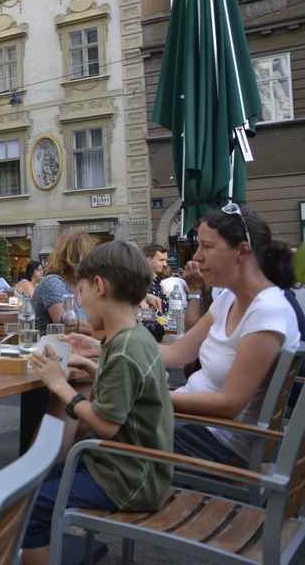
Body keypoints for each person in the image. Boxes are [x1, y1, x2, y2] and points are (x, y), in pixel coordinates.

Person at [21, 241, 173, 565]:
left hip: (127, 478)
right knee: (39, 479)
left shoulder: (123, 350)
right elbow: (129, 388)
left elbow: (104, 424)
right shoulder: (135, 338)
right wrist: (92, 364)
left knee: (32, 505)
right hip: (140, 468)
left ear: (99, 286)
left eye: (81, 290)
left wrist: (59, 385)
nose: (79, 300)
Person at [158, 207, 301, 466]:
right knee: (95, 419)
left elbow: (229, 404)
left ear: (242, 251)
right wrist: (111, 348)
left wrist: (151, 396)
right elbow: (177, 353)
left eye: (206, 246)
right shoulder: (229, 298)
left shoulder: (268, 312)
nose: (197, 257)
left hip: (215, 445)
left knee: (95, 433)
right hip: (192, 426)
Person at [31, 232, 97, 332]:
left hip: (79, 346)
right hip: (48, 346)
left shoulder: (82, 287)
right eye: (89, 257)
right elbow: (67, 328)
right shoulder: (52, 282)